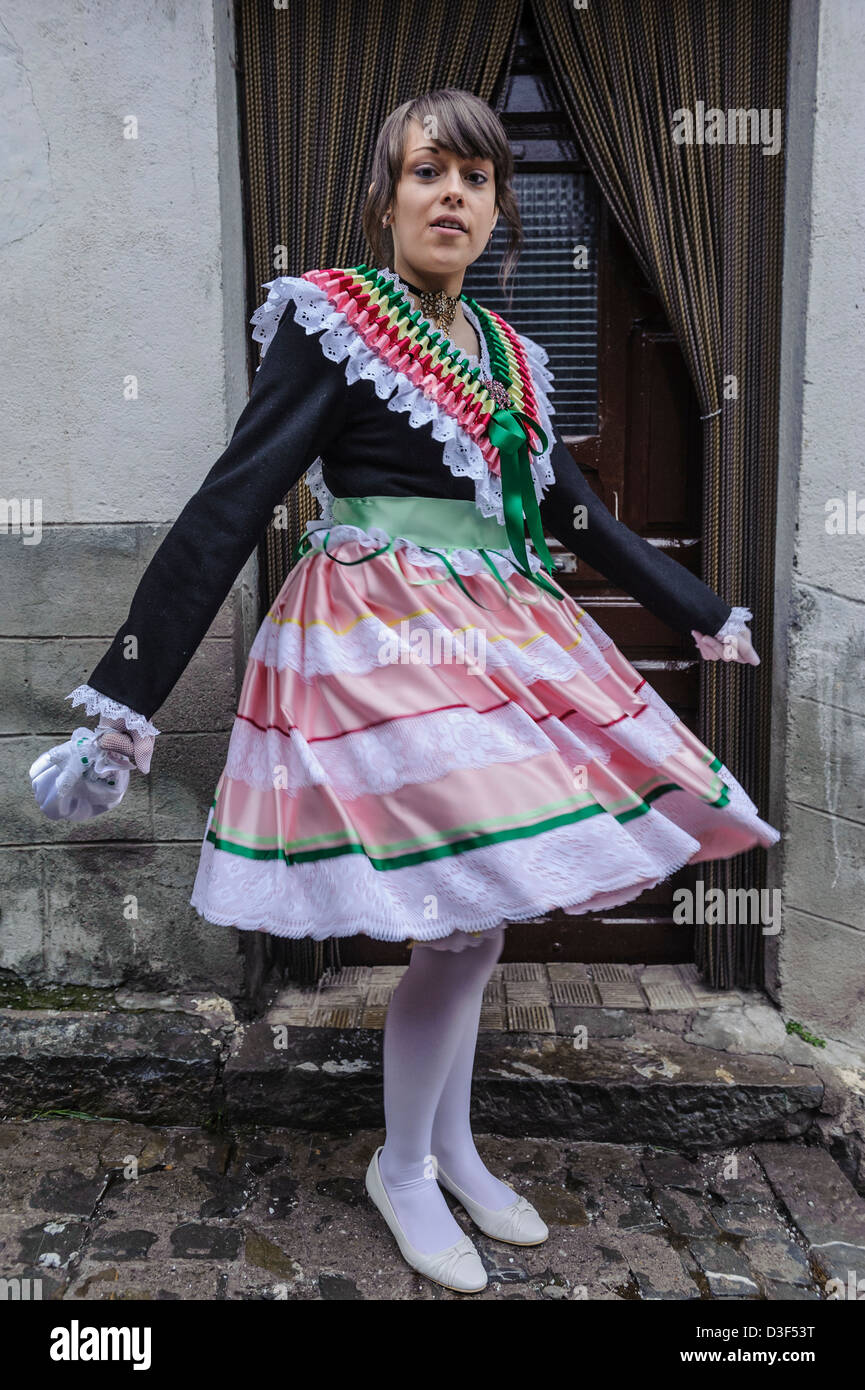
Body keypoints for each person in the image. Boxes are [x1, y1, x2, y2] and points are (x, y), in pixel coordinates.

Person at [29, 89, 780, 1295]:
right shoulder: (331, 319)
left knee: (477, 922)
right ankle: (407, 1165)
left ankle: (446, 1147)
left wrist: (700, 610)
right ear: (386, 197)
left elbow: (573, 512)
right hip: (377, 638)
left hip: (495, 630)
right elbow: (234, 501)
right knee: (459, 920)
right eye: (429, 171)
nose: (451, 196)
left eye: (475, 179)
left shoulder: (505, 355)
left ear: (495, 211)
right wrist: (129, 692)